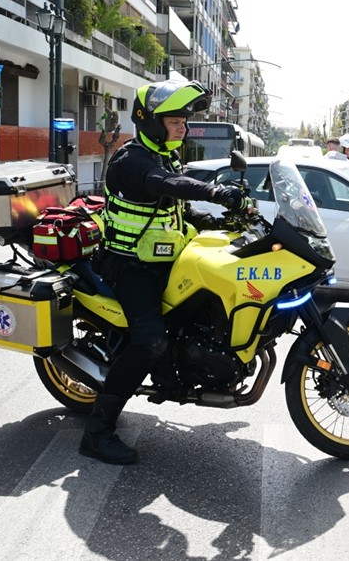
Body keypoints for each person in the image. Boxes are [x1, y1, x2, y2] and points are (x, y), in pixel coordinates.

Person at [82, 79, 254, 465]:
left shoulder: (164, 156)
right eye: (175, 120)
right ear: (150, 121)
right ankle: (98, 432)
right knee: (149, 339)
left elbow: (172, 208)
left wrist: (220, 221)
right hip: (128, 265)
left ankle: (171, 376)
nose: (183, 127)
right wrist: (216, 192)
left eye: (184, 121)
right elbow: (166, 186)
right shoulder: (132, 160)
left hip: (162, 259)